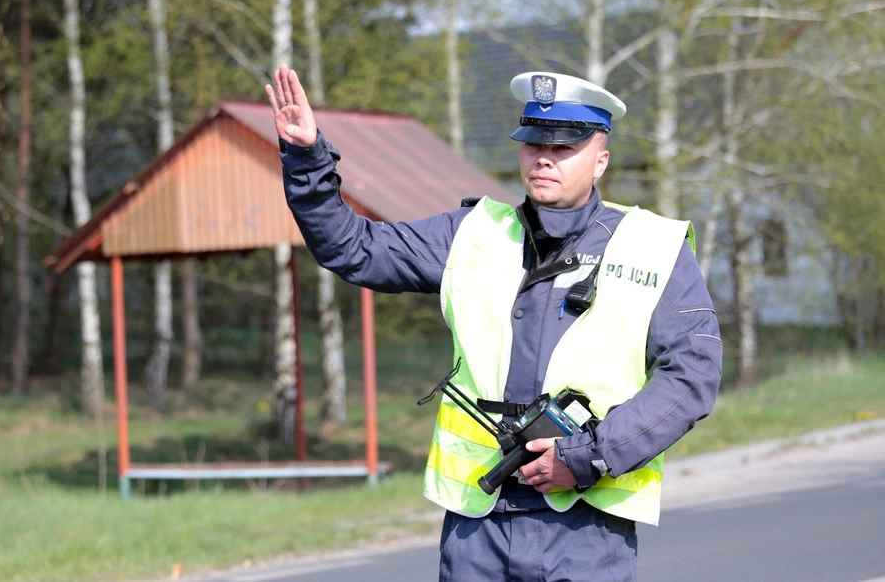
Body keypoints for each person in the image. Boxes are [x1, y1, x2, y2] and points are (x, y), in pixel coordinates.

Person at [265, 64, 722, 582]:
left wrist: (586, 456)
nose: (544, 157)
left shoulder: (654, 249)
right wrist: (306, 159)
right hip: (477, 527)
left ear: (601, 160)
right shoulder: (471, 234)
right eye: (533, 144)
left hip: (585, 526)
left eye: (564, 146)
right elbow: (352, 248)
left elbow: (693, 376)